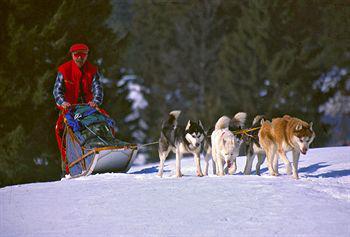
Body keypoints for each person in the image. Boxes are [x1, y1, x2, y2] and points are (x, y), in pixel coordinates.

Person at [53, 43, 103, 175]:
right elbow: (57, 91)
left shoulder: (92, 70)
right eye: (76, 55)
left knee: (106, 121)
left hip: (89, 108)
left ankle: (105, 151)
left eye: (83, 55)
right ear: (72, 55)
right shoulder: (64, 70)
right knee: (59, 129)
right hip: (70, 108)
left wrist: (95, 101)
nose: (79, 58)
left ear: (87, 56)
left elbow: (98, 89)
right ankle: (67, 164)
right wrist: (63, 102)